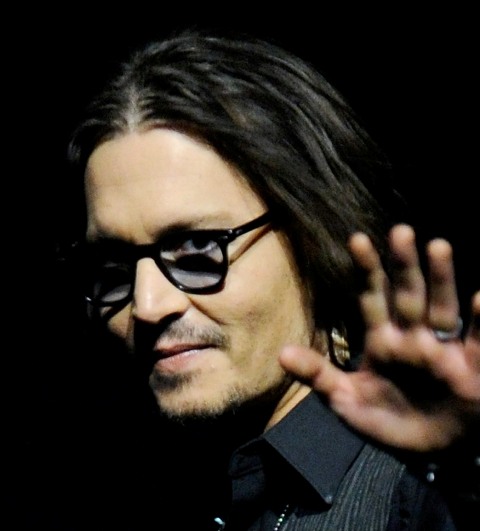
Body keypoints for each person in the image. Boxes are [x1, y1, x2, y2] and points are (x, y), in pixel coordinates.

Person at [62, 27, 479, 530]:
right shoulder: (133, 493)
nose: (146, 305)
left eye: (197, 250)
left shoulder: (416, 490)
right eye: (113, 268)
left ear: (312, 237)